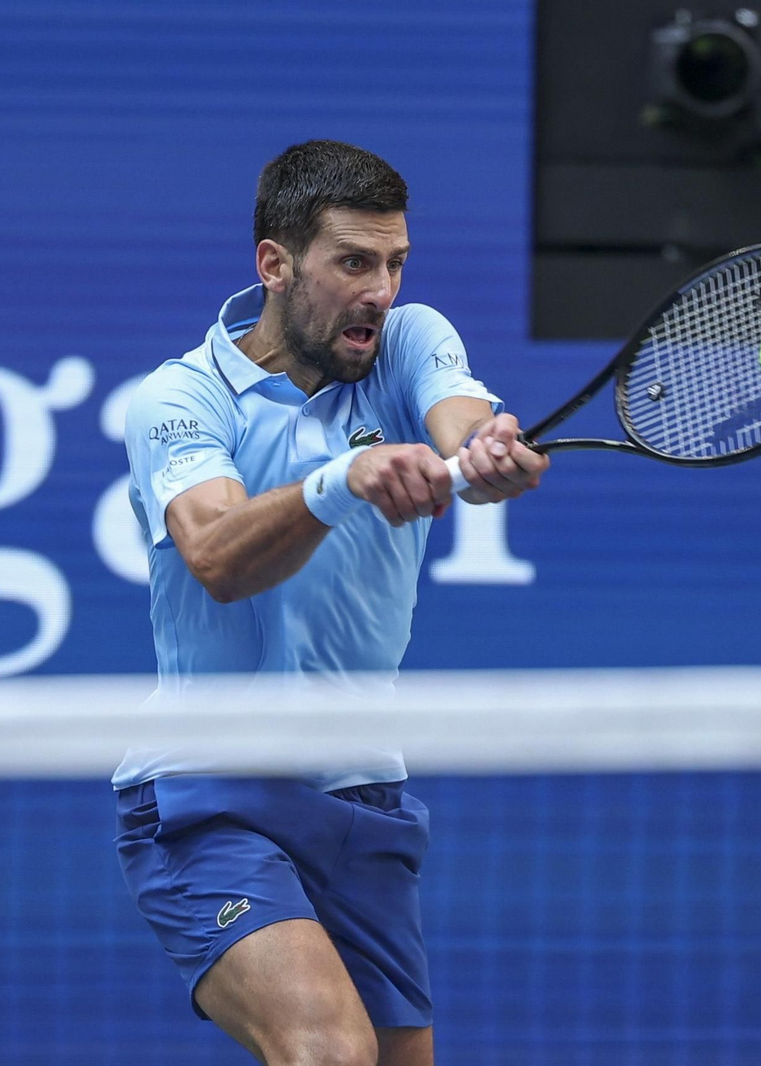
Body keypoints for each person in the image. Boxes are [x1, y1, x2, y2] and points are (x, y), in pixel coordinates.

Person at [114, 139, 549, 1066]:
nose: (380, 290)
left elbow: (461, 426)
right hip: (206, 790)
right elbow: (218, 556)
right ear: (275, 263)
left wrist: (489, 454)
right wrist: (339, 479)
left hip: (360, 789)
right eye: (352, 262)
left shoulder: (409, 341)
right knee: (327, 1050)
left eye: (394, 262)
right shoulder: (181, 400)